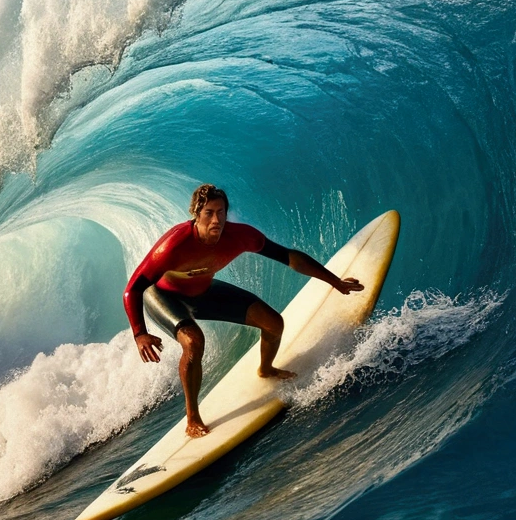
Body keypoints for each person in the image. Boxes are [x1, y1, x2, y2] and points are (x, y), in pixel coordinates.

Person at [123, 183, 364, 438]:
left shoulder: (241, 236)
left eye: (221, 212)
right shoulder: (173, 246)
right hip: (163, 296)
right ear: (196, 213)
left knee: (274, 323)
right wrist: (140, 333)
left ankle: (266, 368)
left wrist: (335, 281)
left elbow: (290, 257)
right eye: (209, 213)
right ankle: (192, 417)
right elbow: (133, 289)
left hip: (202, 292)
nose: (216, 219)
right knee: (194, 342)